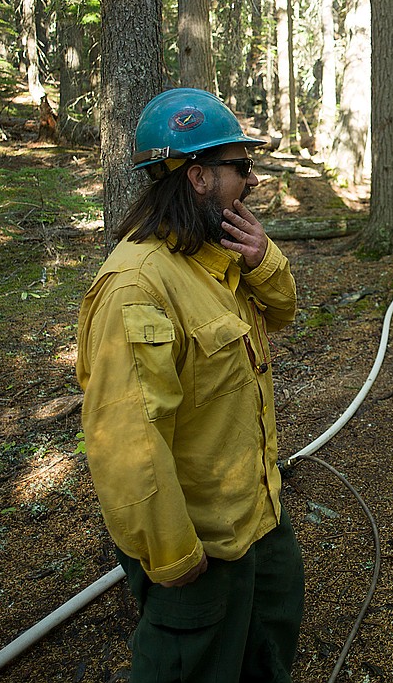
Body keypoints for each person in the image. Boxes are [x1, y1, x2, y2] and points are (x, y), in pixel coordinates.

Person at [76, 88, 304, 683]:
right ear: (199, 177)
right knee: (190, 663)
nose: (251, 182)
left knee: (268, 642)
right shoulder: (137, 286)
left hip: (258, 514)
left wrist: (263, 260)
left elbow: (280, 314)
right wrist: (171, 554)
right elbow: (127, 441)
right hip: (199, 545)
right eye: (241, 167)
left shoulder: (215, 253)